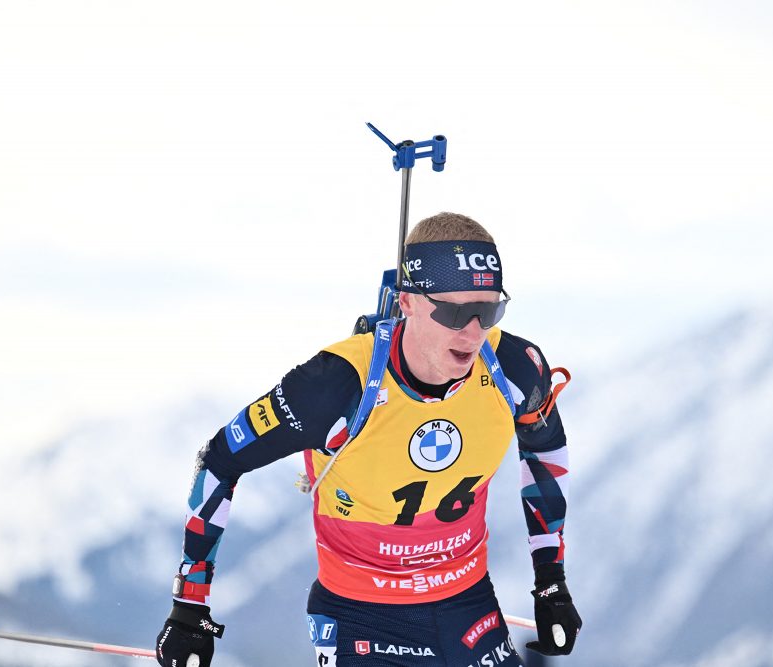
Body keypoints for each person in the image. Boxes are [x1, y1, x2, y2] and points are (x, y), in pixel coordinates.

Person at [155, 212, 582, 666]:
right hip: (361, 617)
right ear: (407, 302)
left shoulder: (513, 368)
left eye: (489, 310)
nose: (474, 332)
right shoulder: (335, 385)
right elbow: (221, 459)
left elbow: (544, 452)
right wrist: (189, 604)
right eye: (456, 312)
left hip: (467, 604)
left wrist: (550, 579)